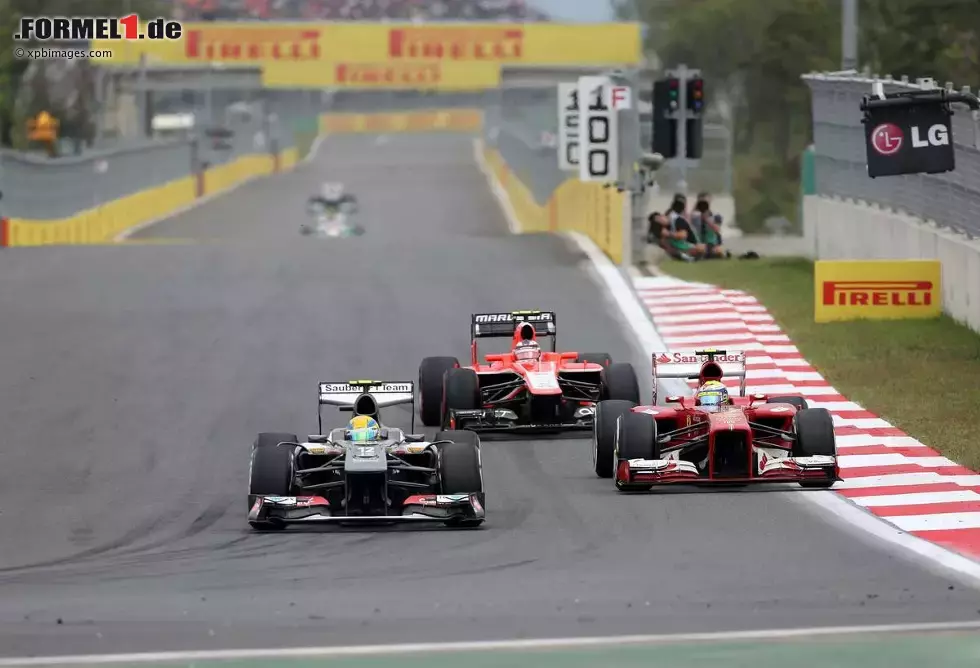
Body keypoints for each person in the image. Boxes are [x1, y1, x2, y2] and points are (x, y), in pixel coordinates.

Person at [665, 195, 705, 261]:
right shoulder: (677, 218)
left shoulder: (671, 215)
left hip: (679, 242)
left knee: (701, 247)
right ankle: (685, 254)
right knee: (701, 248)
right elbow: (683, 235)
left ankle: (685, 254)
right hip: (679, 244)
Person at [690, 193, 730, 259]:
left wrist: (706, 219)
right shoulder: (694, 216)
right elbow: (687, 224)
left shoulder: (716, 216)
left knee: (715, 251)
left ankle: (715, 252)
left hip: (711, 243)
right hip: (699, 243)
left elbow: (717, 229)